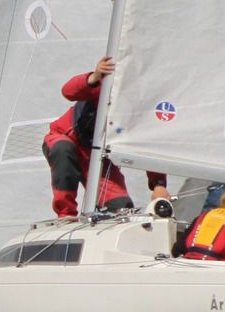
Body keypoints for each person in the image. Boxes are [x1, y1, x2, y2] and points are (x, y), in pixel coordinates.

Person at [44, 56, 170, 218]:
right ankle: (65, 215)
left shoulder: (145, 107)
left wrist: (158, 185)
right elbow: (68, 91)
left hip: (97, 157)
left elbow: (149, 143)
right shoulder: (109, 85)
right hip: (66, 138)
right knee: (63, 151)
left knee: (121, 208)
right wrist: (95, 76)